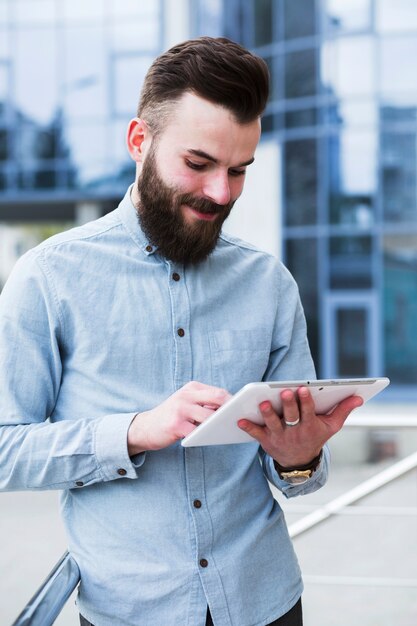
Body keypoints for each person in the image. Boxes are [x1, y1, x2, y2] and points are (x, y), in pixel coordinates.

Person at [0, 37, 362, 626]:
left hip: (267, 601)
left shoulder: (269, 282)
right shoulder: (48, 277)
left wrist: (298, 457)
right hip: (130, 610)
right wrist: (136, 431)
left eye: (238, 170)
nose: (221, 194)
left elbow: (297, 474)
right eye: (198, 164)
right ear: (140, 141)